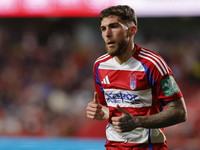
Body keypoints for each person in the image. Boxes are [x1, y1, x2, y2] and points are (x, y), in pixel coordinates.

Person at [86, 5, 187, 150]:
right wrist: (100, 112)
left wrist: (137, 121)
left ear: (132, 30)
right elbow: (107, 108)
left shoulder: (153, 64)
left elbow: (180, 112)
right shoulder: (100, 65)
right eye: (103, 28)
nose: (107, 34)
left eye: (114, 26)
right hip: (113, 147)